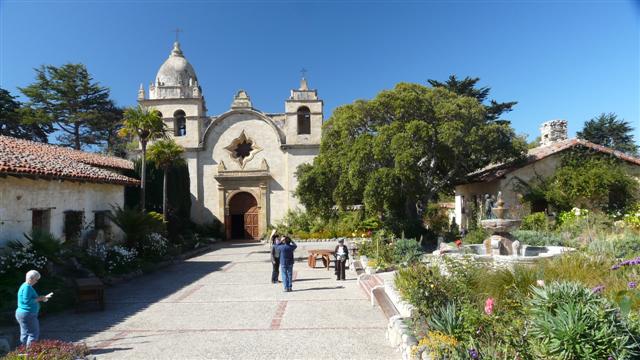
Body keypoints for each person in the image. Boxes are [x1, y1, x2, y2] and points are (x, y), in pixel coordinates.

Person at [16, 270, 51, 347]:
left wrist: (41, 297)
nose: (37, 281)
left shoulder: (25, 286)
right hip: (27, 314)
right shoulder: (27, 287)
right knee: (33, 334)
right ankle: (30, 353)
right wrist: (40, 299)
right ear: (31, 278)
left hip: (24, 314)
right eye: (36, 279)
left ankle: (23, 352)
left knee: (25, 333)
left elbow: (29, 299)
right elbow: (27, 301)